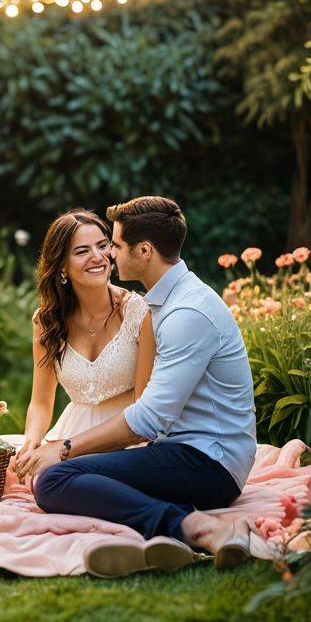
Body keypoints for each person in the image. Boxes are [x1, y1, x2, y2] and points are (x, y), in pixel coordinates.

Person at [23, 196, 256, 575]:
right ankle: (169, 528)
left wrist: (63, 449)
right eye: (90, 249)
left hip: (208, 461)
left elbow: (148, 418)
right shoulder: (169, 301)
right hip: (185, 450)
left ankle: (195, 527)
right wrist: (44, 443)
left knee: (56, 480)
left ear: (144, 250)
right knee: (64, 479)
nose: (108, 255)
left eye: (111, 245)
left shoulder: (184, 313)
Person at [11, 210, 155, 478]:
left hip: (129, 441)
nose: (98, 257)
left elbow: (144, 402)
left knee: (79, 483)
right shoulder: (47, 321)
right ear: (62, 266)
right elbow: (41, 402)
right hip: (69, 435)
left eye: (103, 246)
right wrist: (31, 442)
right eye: (82, 251)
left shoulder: (138, 312)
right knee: (42, 480)